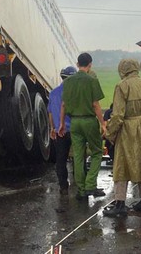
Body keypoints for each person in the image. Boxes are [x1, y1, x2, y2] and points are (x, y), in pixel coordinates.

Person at [103, 59, 141, 217]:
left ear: (122, 69)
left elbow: (118, 115)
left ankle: (120, 203)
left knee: (121, 165)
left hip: (127, 129)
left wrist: (110, 134)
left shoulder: (122, 86)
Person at [59, 53, 107, 200]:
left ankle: (81, 190)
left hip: (74, 122)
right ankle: (90, 185)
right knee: (97, 152)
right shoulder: (91, 80)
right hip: (89, 121)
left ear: (77, 63)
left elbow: (63, 105)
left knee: (78, 156)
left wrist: (61, 124)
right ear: (90, 64)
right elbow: (95, 104)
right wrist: (103, 123)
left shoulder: (67, 82)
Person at [48, 65, 77, 195]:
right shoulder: (74, 92)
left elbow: (50, 113)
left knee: (61, 159)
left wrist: (52, 128)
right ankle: (80, 184)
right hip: (73, 130)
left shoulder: (53, 93)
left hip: (59, 132)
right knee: (79, 158)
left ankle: (63, 186)